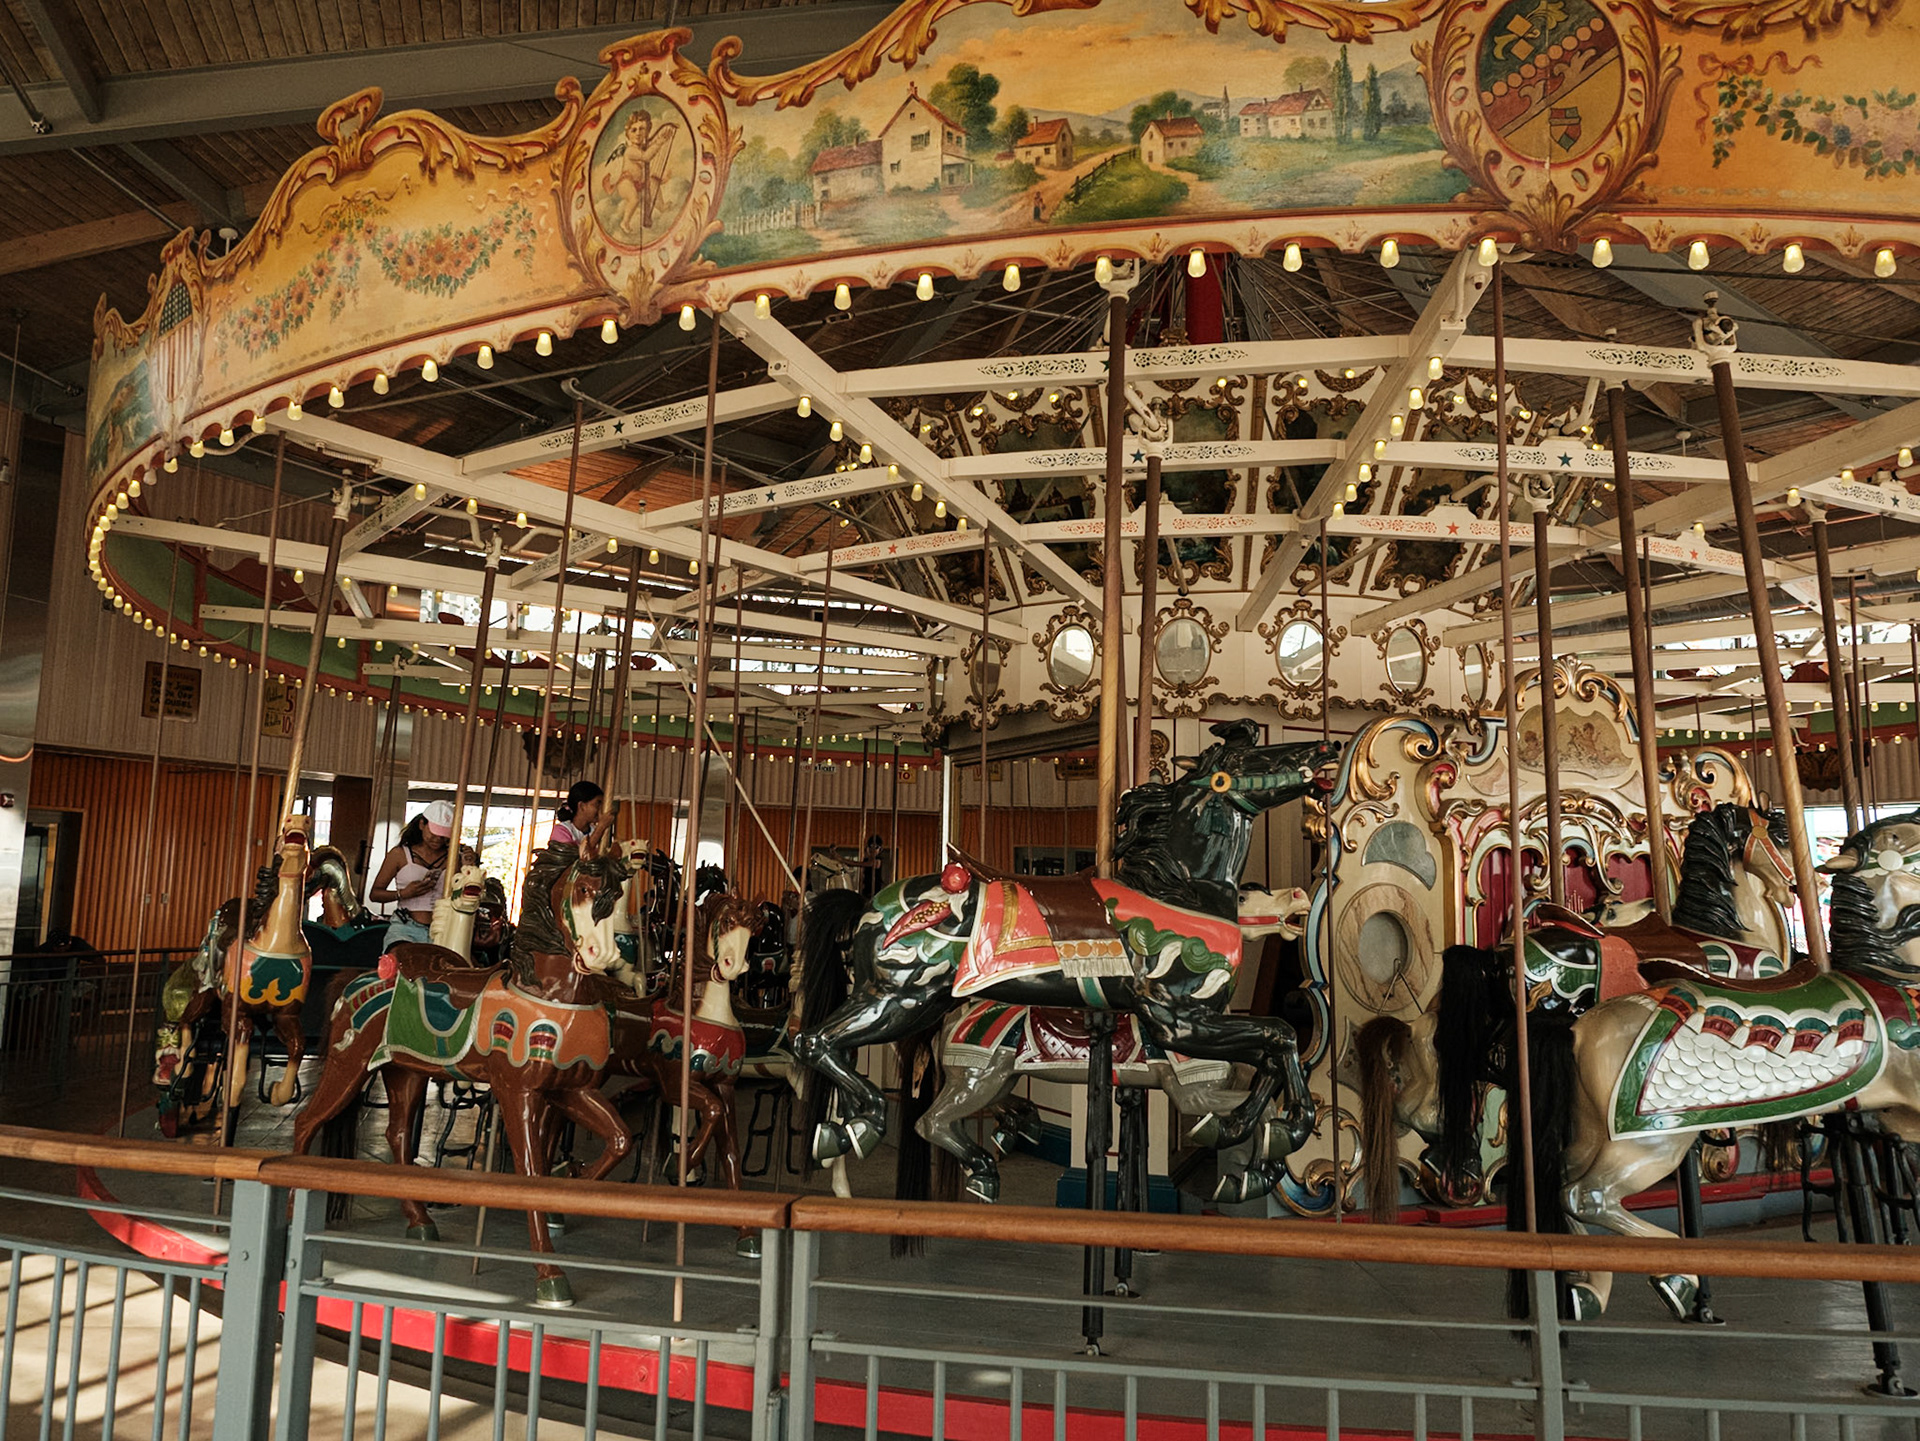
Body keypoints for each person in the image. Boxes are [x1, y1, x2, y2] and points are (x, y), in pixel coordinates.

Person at [370, 800, 455, 949]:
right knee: (401, 961)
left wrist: (469, 864)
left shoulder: (455, 858)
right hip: (406, 927)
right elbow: (375, 894)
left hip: (444, 929)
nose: (438, 839)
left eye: (443, 836)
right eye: (434, 833)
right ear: (422, 824)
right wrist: (403, 893)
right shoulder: (399, 854)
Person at [550, 781, 605, 847]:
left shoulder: (594, 830)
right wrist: (601, 827)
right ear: (582, 806)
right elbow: (577, 855)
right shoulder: (562, 831)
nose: (601, 809)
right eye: (597, 804)